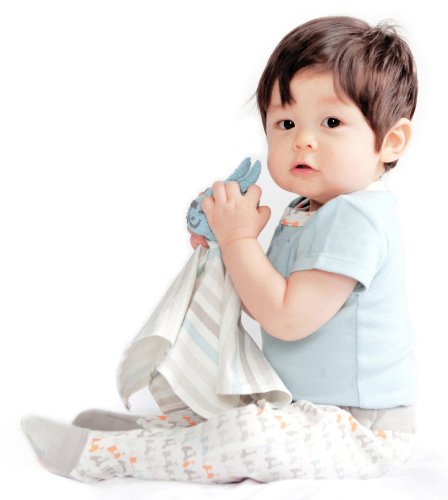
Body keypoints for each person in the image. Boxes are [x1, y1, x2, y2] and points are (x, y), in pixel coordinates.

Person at [22, 15, 418, 482]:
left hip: (360, 428)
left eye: (331, 121)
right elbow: (259, 299)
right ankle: (159, 432)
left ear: (390, 141)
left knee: (250, 436)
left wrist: (238, 240)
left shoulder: (358, 216)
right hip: (303, 412)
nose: (303, 140)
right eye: (285, 122)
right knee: (238, 413)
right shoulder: (304, 211)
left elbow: (287, 319)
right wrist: (223, 249)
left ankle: (114, 455)